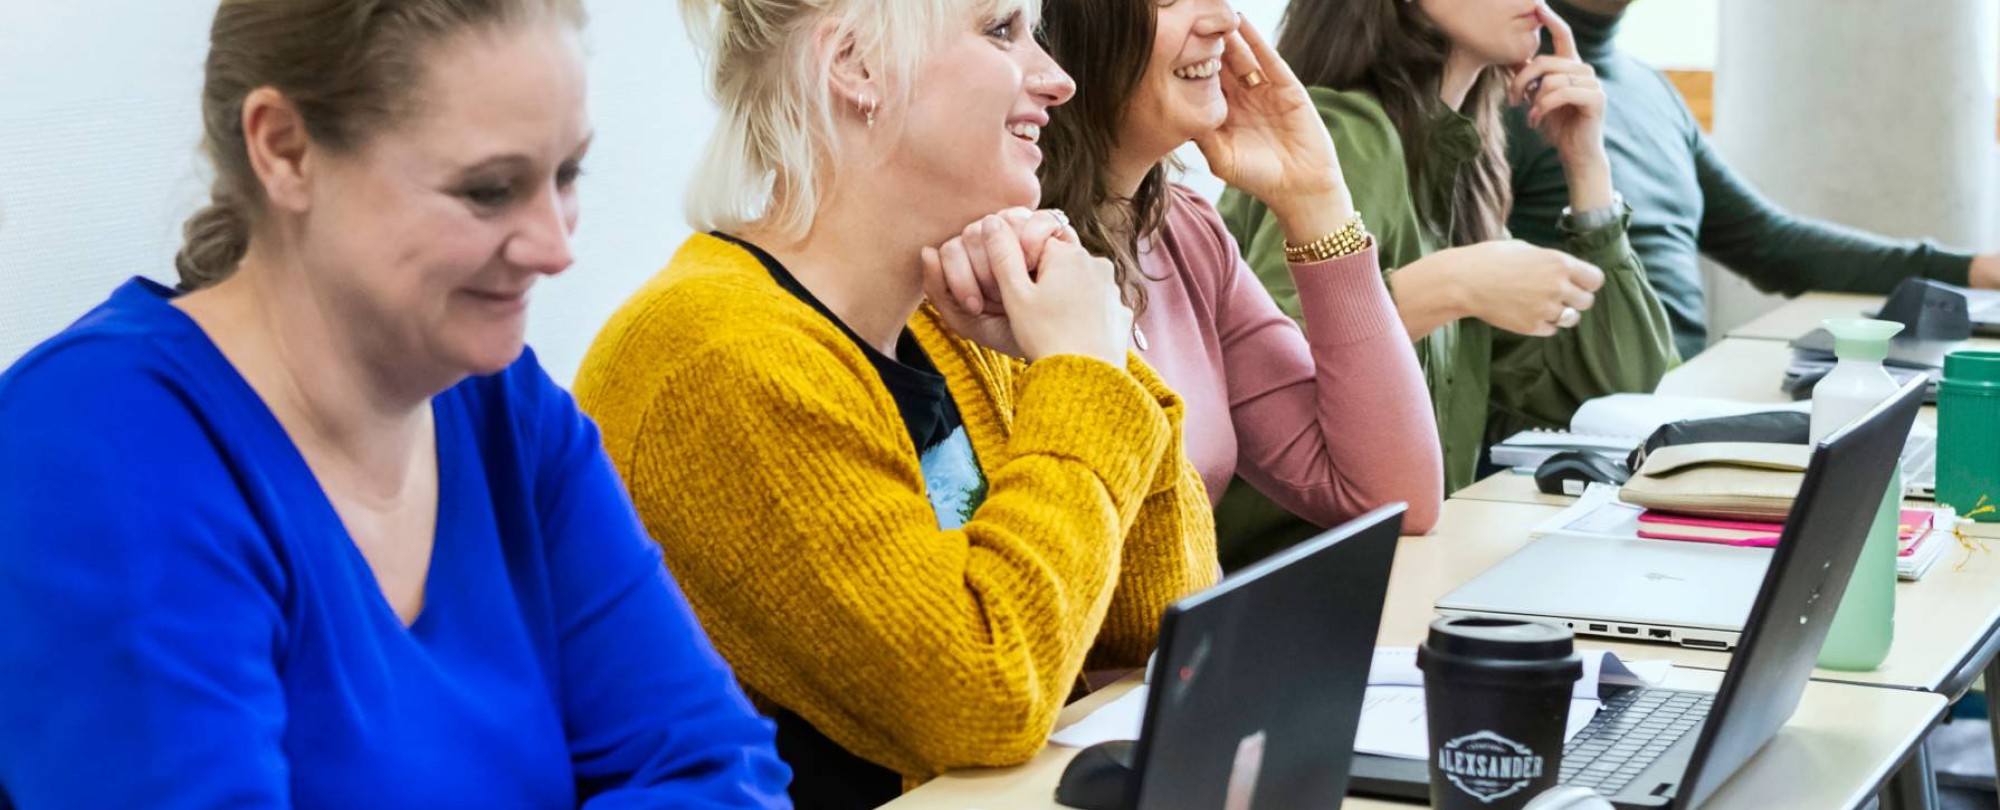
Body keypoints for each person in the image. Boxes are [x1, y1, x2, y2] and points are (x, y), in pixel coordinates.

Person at [0, 1, 790, 807]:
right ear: (285, 148)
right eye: (489, 190)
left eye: (566, 175)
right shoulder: (96, 446)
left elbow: (718, 767)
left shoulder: (506, 415)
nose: (556, 247)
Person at [573, 0, 1217, 806]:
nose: (1057, 80)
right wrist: (1085, 378)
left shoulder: (954, 320)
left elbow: (1167, 615)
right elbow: (981, 696)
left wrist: (1103, 364)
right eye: (1000, 30)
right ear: (856, 66)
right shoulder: (713, 359)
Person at [944, 0, 1443, 570]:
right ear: (1065, 25)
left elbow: (1394, 497)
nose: (1223, 20)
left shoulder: (1185, 233)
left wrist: (1316, 198)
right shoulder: (985, 257)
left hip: (1174, 656)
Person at [1218, 0, 1677, 510]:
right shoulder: (1350, 135)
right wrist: (1452, 286)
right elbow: (1269, 369)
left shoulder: (1461, 168)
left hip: (1406, 553)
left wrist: (1586, 161)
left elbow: (1613, 388)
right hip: (1309, 568)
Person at [1506, 0, 2000, 361]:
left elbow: (1769, 243)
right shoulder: (1505, 96)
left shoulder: (1646, 86)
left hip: (1669, 399)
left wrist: (1974, 270)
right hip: (1568, 430)